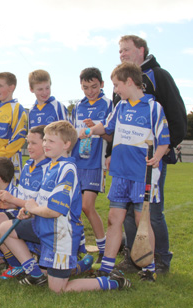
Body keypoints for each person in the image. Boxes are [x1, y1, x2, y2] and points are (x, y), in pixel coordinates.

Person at [0, 121, 131, 292]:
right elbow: (44, 202)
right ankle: (36, 274)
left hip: (61, 237)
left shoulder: (67, 169)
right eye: (45, 140)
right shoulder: (52, 165)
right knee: (5, 228)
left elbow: (54, 211)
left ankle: (114, 282)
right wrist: (29, 212)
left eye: (51, 141)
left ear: (67, 144)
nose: (45, 144)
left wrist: (32, 208)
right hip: (43, 227)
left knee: (58, 289)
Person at [80, 62, 170, 282]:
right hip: (120, 174)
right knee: (114, 218)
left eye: (117, 85)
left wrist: (157, 156)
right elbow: (107, 128)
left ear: (130, 82)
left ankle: (149, 268)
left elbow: (164, 139)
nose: (115, 89)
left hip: (142, 175)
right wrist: (89, 130)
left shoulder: (153, 107)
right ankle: (107, 267)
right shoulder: (120, 107)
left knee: (142, 220)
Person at [115, 35, 186, 274]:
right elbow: (116, 125)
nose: (122, 54)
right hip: (126, 164)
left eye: (126, 50)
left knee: (152, 213)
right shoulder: (121, 83)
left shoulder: (159, 75)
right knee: (127, 215)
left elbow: (176, 114)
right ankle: (136, 258)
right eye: (120, 51)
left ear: (141, 50)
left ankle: (161, 260)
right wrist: (108, 152)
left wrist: (165, 150)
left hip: (151, 160)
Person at [0, 125, 51, 278]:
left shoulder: (49, 169)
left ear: (45, 144)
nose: (29, 147)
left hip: (39, 219)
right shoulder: (27, 165)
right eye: (28, 142)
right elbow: (24, 198)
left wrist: (13, 200)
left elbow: (40, 206)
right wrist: (12, 204)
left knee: (5, 227)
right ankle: (16, 264)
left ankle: (31, 269)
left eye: (33, 143)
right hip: (22, 213)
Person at [71, 68, 113, 263]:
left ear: (102, 84)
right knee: (75, 208)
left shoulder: (109, 105)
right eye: (86, 87)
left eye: (94, 86)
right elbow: (72, 135)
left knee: (88, 207)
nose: (90, 91)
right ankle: (77, 249)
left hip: (95, 162)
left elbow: (111, 135)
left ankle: (103, 249)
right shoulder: (78, 106)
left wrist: (95, 128)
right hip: (76, 162)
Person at [0, 72, 28, 185]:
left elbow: (19, 137)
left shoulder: (17, 108)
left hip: (7, 160)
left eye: (1, 86)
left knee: (7, 197)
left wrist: (0, 155)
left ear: (11, 88)